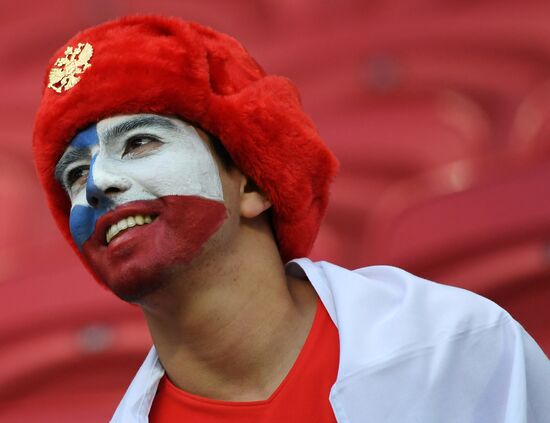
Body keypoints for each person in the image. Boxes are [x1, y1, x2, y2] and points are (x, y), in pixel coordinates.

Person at [32, 15, 549, 423]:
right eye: (75, 176)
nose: (97, 184)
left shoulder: (453, 347)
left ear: (253, 182)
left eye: (140, 142)